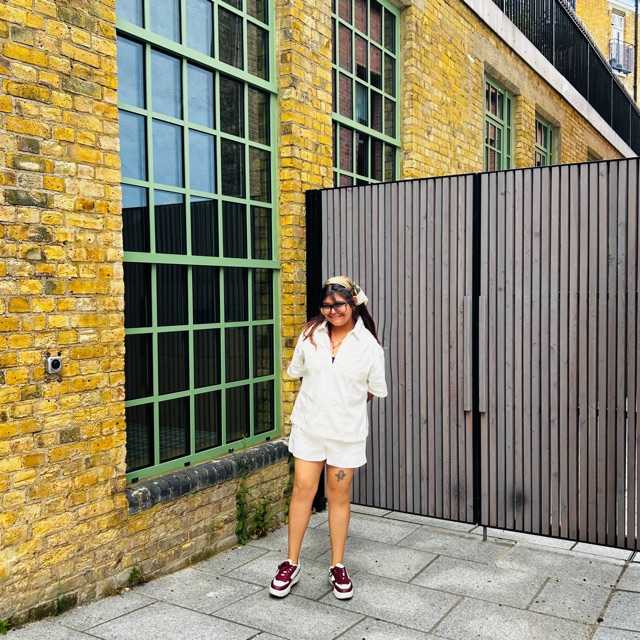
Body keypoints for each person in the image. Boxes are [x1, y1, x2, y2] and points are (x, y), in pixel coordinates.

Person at [269, 275, 388, 600]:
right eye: (326, 305)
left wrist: (343, 402)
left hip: (345, 436)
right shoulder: (310, 336)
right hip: (309, 430)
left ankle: (337, 565)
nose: (332, 311)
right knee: (302, 491)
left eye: (339, 304)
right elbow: (297, 372)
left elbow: (374, 390)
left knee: (338, 497)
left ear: (353, 304)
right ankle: (290, 563)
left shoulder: (369, 346)